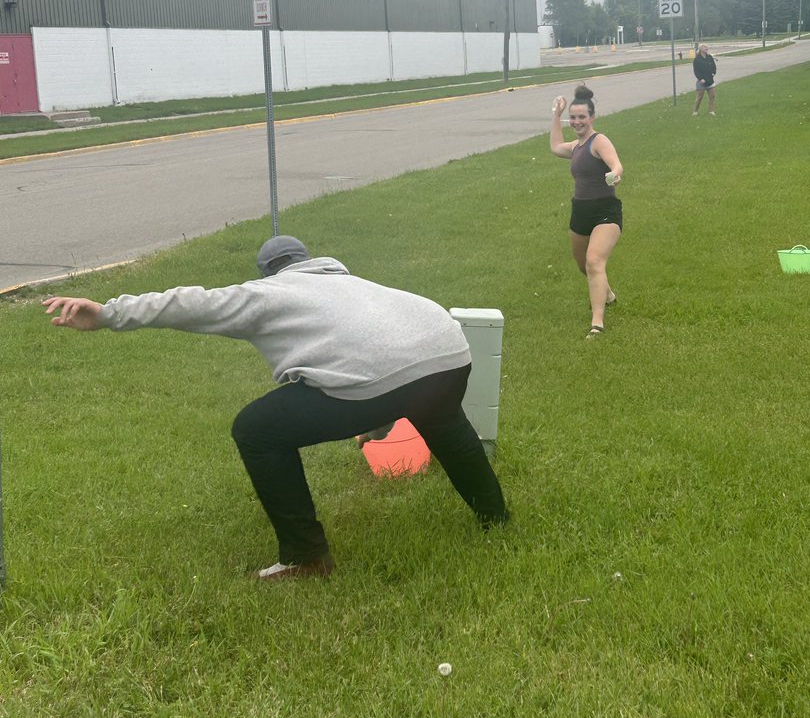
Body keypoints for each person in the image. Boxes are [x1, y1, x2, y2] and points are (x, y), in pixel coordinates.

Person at [42, 235, 508, 581]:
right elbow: (386, 351)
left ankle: (306, 558)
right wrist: (380, 419)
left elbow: (191, 304)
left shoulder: (267, 293)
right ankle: (496, 518)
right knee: (445, 423)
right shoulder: (355, 284)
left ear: (269, 272)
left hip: (391, 374)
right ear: (311, 261)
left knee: (256, 429)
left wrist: (108, 313)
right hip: (448, 354)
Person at [550, 85, 624, 339]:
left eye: (582, 117)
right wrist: (556, 115)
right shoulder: (576, 146)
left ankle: (597, 323)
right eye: (573, 117)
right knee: (583, 265)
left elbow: (616, 164)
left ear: (592, 117)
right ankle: (608, 294)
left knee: (594, 261)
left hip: (605, 211)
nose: (577, 121)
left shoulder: (598, 141)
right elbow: (555, 146)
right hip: (580, 211)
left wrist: (615, 174)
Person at [692, 43, 717, 116]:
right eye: (704, 47)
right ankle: (695, 111)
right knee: (699, 97)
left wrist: (713, 73)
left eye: (707, 47)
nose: (706, 48)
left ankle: (711, 111)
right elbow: (696, 71)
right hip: (702, 82)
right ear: (700, 49)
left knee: (712, 96)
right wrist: (700, 79)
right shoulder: (697, 59)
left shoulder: (709, 57)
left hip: (710, 81)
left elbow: (714, 67)